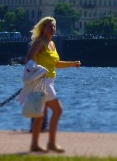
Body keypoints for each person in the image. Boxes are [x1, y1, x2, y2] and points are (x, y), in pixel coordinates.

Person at [25, 16, 81, 153]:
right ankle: (51, 143)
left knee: (41, 114)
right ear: (43, 28)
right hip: (41, 81)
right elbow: (28, 59)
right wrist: (36, 71)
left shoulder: (52, 44)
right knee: (58, 110)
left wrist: (72, 64)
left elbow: (56, 64)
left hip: (49, 81)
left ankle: (34, 145)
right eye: (50, 26)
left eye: (54, 26)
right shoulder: (39, 43)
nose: (53, 28)